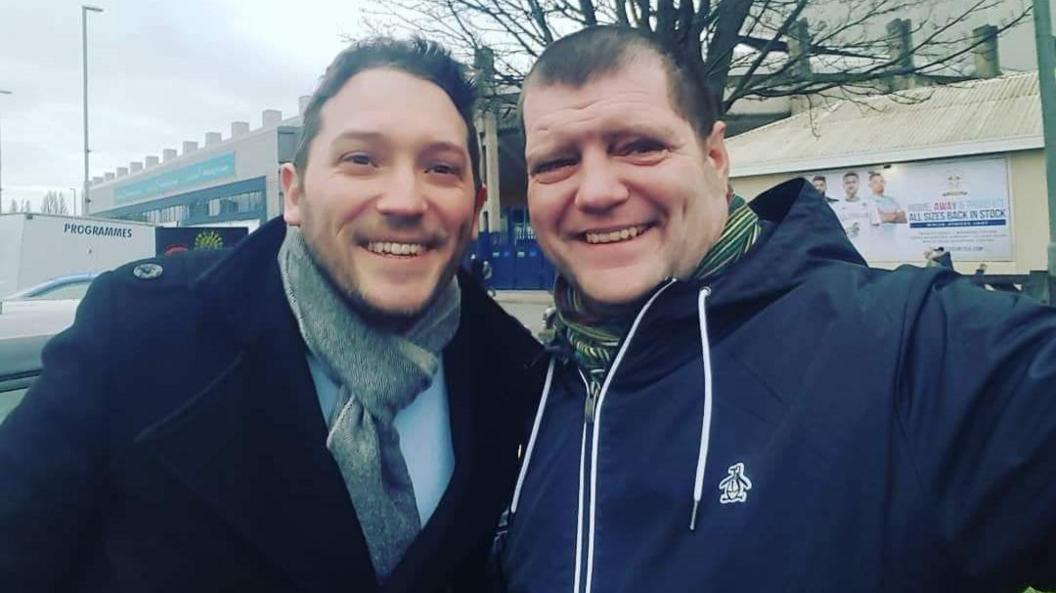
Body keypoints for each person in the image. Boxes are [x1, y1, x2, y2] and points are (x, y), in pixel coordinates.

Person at [498, 25, 1056, 593]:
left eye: (640, 146)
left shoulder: (906, 346)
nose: (595, 191)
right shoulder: (530, 391)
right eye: (556, 162)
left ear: (715, 158)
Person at [0, 38, 543, 592]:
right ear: (295, 194)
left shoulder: (524, 382)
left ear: (474, 210)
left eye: (440, 168)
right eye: (361, 160)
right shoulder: (140, 334)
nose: (404, 200)